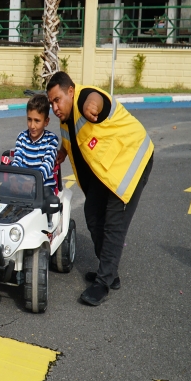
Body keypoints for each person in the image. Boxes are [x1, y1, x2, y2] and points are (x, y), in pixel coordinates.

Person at [46, 71, 154, 306]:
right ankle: (109, 270)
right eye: (51, 102)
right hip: (107, 171)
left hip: (131, 163)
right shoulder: (65, 120)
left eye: (58, 99)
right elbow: (74, 139)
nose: (54, 107)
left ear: (71, 91)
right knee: (93, 215)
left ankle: (103, 282)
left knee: (114, 224)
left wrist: (91, 105)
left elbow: (96, 99)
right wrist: (63, 151)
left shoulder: (85, 98)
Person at [11, 93, 59, 194]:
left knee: (47, 197)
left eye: (37, 121)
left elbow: (47, 164)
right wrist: (14, 178)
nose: (32, 125)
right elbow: (17, 160)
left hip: (43, 187)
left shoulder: (51, 140)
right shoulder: (22, 137)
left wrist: (34, 181)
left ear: (46, 121)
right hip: (22, 186)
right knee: (2, 189)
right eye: (29, 119)